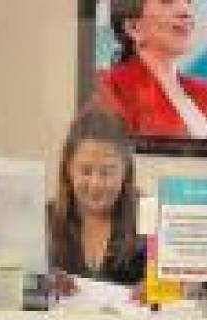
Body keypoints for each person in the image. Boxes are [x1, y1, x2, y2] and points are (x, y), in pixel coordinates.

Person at [49, 106, 145, 290]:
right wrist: (40, 284)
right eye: (85, 171)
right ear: (68, 169)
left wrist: (163, 292)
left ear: (125, 171)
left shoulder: (149, 220)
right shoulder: (44, 222)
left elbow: (188, 291)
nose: (96, 184)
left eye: (107, 172)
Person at [97, 0, 207, 140]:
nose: (186, 11)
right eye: (167, 2)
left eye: (187, 1)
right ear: (133, 28)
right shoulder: (108, 85)